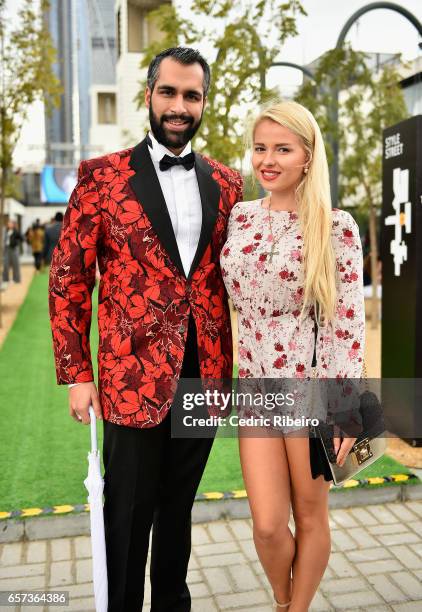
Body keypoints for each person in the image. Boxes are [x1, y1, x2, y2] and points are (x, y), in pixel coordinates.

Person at [49, 47, 242, 611]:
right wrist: (77, 372)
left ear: (204, 101)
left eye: (192, 95)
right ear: (150, 95)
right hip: (130, 375)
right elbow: (69, 277)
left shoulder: (228, 185)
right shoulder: (101, 177)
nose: (180, 106)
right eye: (169, 92)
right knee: (128, 510)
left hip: (203, 372)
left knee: (178, 507)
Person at [220, 100, 365, 611]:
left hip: (312, 395)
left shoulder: (336, 226)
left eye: (283, 148)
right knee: (265, 525)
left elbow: (345, 322)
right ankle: (285, 600)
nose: (268, 160)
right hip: (256, 392)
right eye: (260, 148)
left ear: (307, 155)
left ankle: (294, 609)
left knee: (310, 517)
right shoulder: (239, 217)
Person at [2, 219, 23, 284]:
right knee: (5, 264)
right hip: (7, 249)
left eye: (10, 223)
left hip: (14, 249)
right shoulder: (6, 230)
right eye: (8, 223)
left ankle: (16, 279)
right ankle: (5, 279)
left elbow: (22, 238)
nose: (9, 224)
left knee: (15, 264)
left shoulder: (16, 231)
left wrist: (16, 242)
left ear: (13, 224)